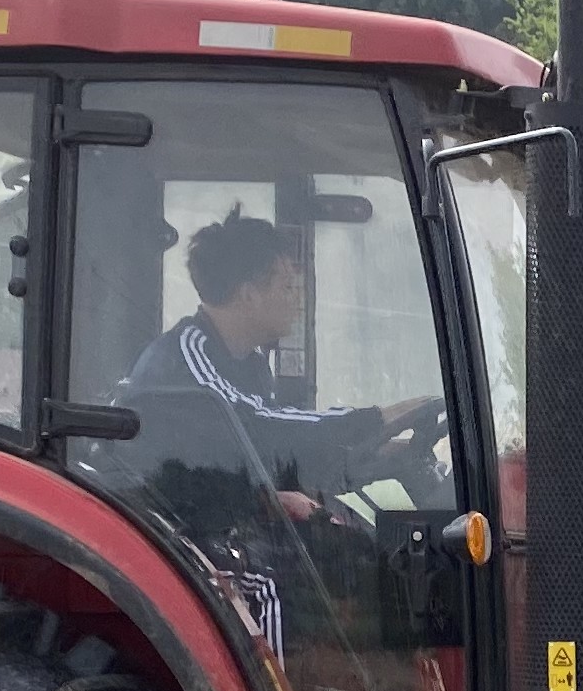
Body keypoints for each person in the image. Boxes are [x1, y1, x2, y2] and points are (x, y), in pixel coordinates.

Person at [113, 210, 438, 523]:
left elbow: (276, 457)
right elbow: (258, 429)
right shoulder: (186, 360)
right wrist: (378, 418)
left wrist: (380, 456)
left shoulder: (249, 365)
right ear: (250, 293)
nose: (297, 301)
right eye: (287, 287)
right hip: (188, 532)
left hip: (222, 516)